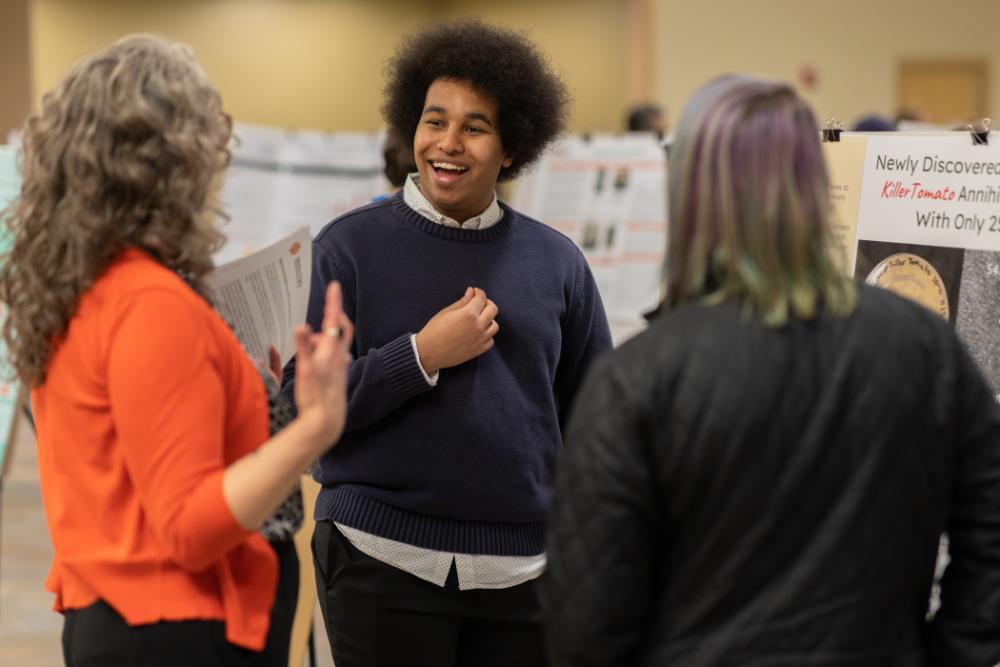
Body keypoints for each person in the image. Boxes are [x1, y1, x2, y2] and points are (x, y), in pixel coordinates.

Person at [543, 75, 1000, 666]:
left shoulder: (636, 379)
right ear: (813, 187)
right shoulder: (925, 349)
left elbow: (585, 622)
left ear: (688, 193)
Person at [0, 35, 354, 666]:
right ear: (171, 163)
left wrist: (242, 388)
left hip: (123, 619)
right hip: (176, 630)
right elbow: (189, 529)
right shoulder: (151, 303)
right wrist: (315, 427)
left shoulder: (86, 285)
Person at [282, 19, 612, 666]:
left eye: (475, 127)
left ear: (511, 146)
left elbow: (596, 420)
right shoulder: (348, 248)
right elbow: (300, 407)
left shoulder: (558, 263)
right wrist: (421, 356)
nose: (448, 143)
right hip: (378, 556)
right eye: (435, 121)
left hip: (525, 575)